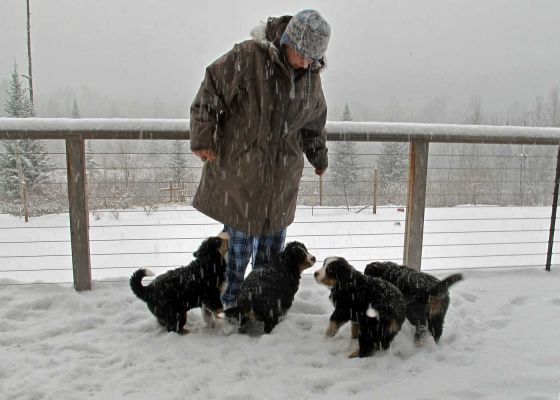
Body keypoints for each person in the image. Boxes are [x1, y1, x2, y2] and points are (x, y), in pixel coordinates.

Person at [189, 9, 331, 309]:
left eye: (313, 58)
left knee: (271, 258)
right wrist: (203, 136)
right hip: (243, 177)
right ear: (287, 41)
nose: (307, 63)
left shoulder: (310, 79)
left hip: (281, 182)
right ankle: (228, 304)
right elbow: (211, 88)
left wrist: (317, 154)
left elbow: (314, 122)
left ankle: (260, 305)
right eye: (303, 54)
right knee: (236, 253)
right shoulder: (250, 57)